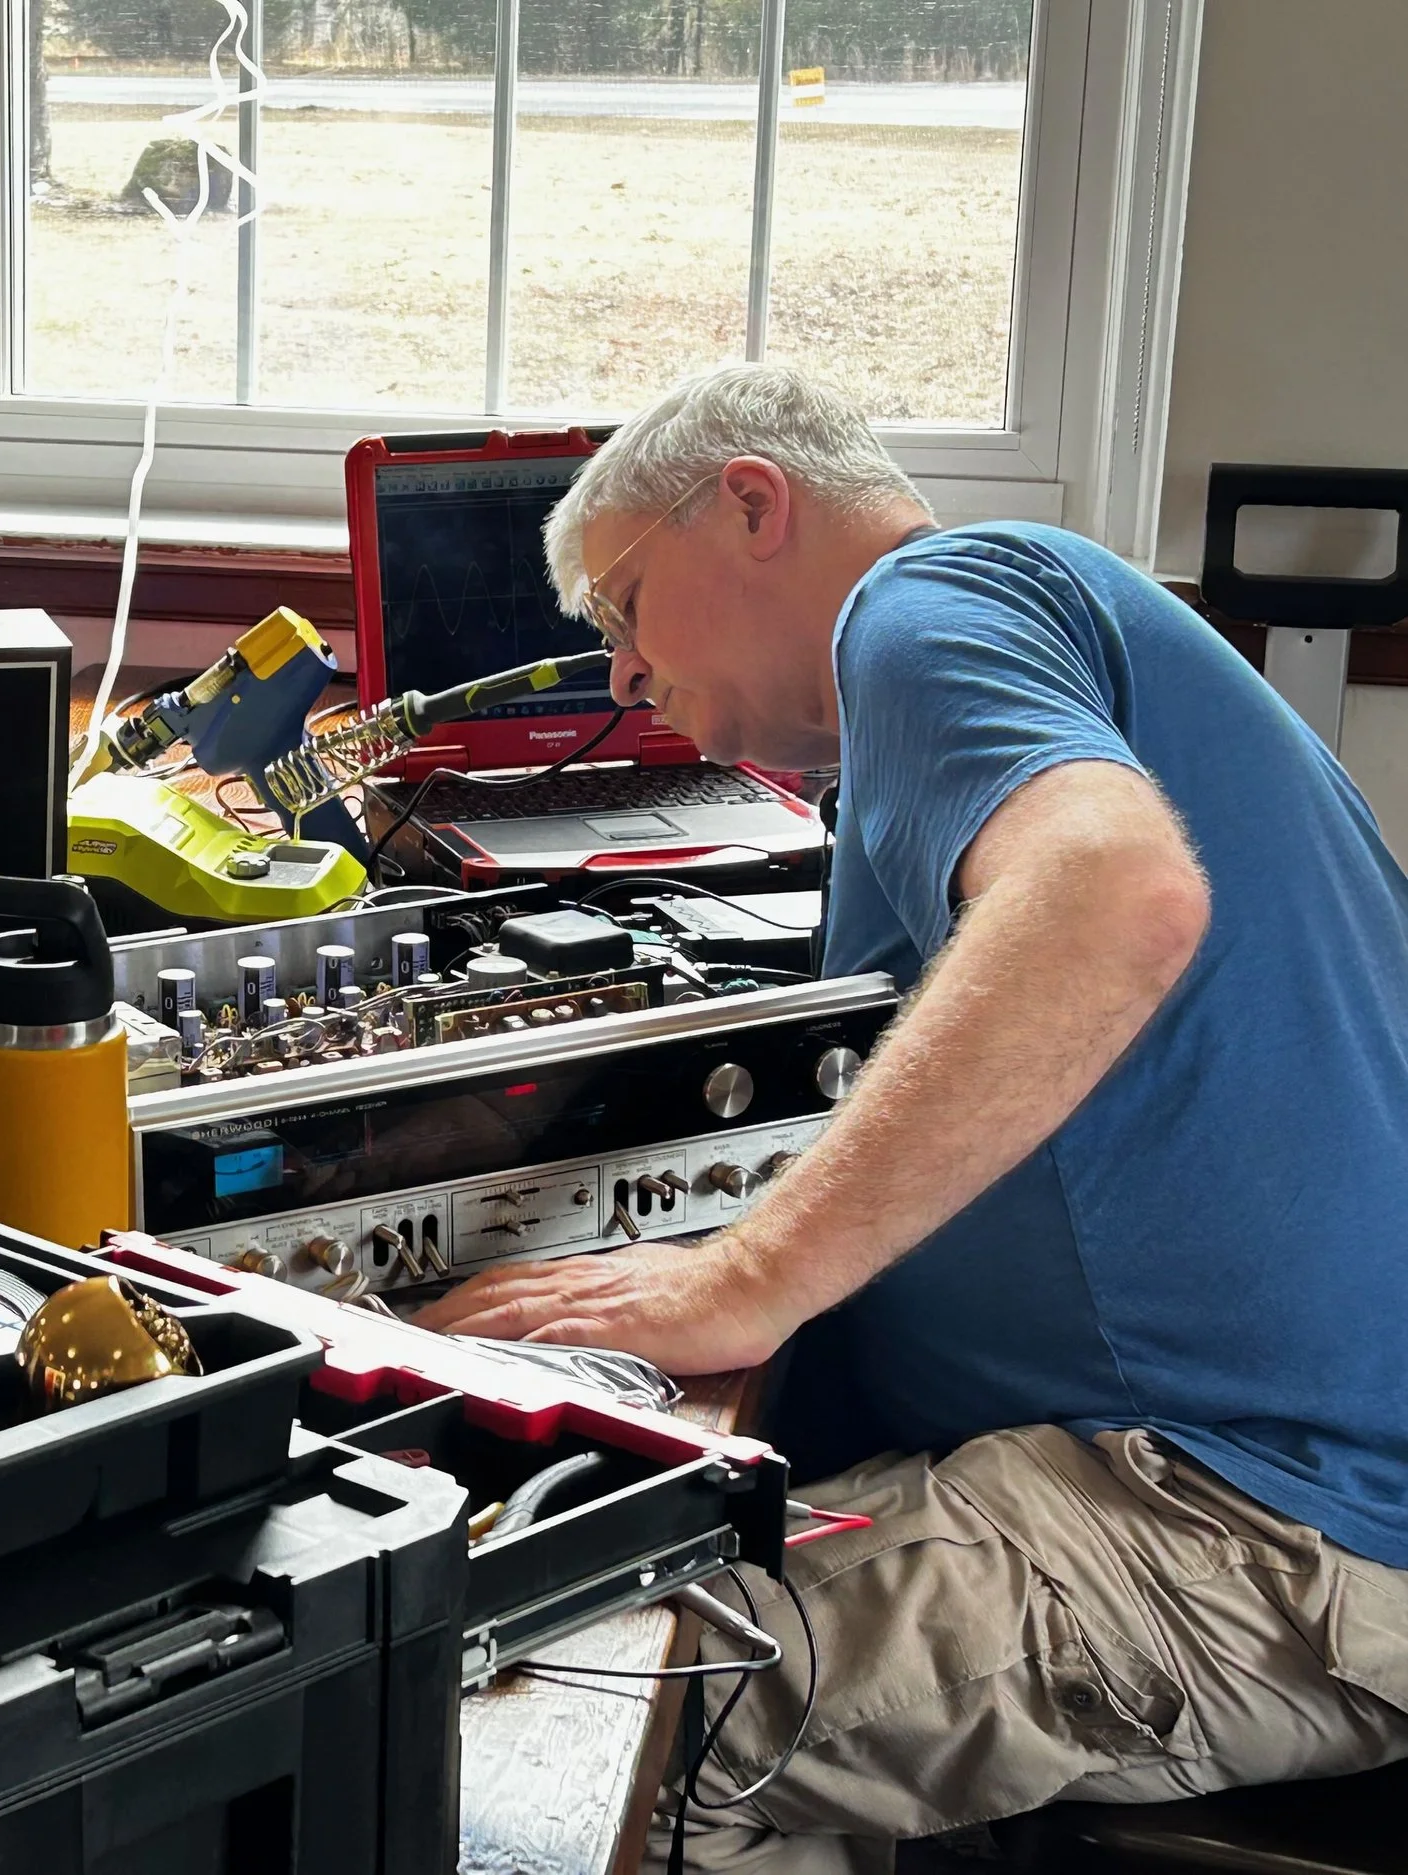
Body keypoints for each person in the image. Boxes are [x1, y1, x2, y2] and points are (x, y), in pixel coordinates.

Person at [416, 364, 1408, 1869]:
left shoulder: (927, 603)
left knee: (551, 1731)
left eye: (621, 605)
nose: (618, 673)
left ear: (751, 501)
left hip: (1254, 1521)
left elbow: (1115, 895)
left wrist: (740, 1275)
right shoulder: (1047, 631)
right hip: (1236, 1474)